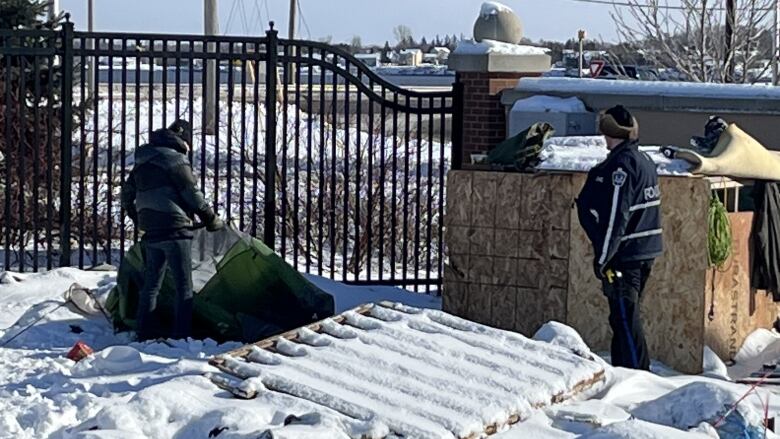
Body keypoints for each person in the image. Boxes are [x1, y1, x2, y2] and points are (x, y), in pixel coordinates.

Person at [575, 105, 663, 370]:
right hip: (644, 250)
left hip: (625, 255)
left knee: (625, 318)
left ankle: (637, 374)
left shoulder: (620, 168)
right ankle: (624, 370)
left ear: (609, 132)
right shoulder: (644, 161)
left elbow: (616, 217)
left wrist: (603, 258)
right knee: (622, 316)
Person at [121, 119, 224, 340]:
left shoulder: (142, 161)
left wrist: (138, 217)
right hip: (175, 228)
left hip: (151, 230)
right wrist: (210, 218)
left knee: (151, 287)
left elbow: (127, 194)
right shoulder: (175, 160)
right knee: (183, 287)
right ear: (183, 140)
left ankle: (143, 333)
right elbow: (191, 193)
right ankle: (181, 337)